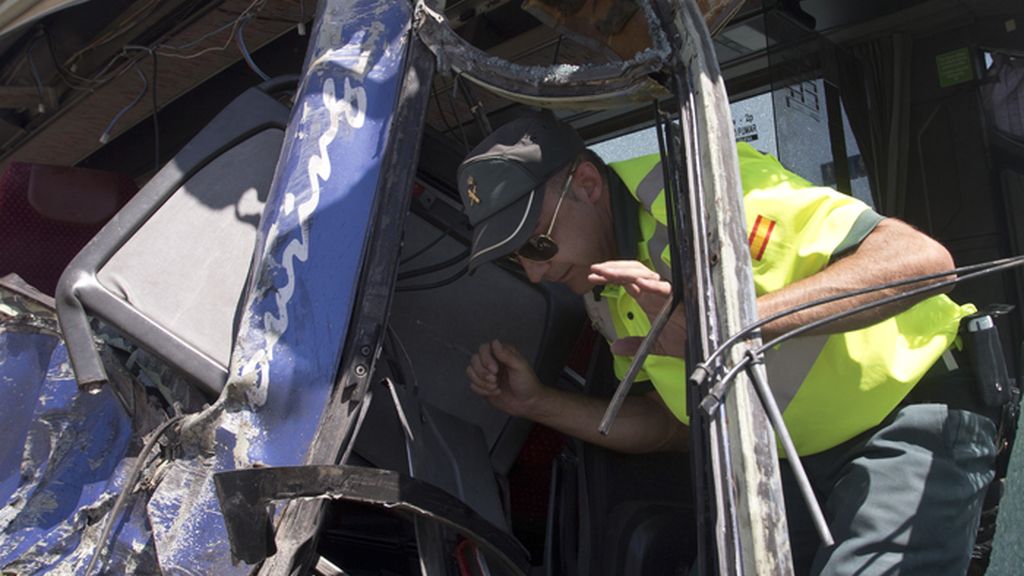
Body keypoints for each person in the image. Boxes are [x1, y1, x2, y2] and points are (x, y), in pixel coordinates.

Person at [458, 110, 999, 575]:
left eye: (537, 242)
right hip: (797, 463)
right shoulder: (607, 294)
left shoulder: (707, 194)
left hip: (909, 417)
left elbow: (921, 264)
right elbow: (673, 427)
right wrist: (536, 404)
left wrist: (721, 329)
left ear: (587, 185)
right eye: (515, 257)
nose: (534, 273)